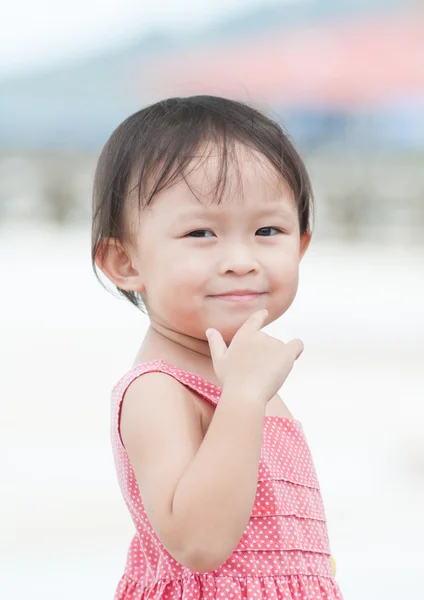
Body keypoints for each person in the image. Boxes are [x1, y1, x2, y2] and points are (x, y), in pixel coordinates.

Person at [91, 95, 343, 600]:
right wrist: (243, 398)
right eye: (201, 232)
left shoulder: (246, 373)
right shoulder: (160, 389)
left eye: (267, 230)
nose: (240, 260)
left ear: (301, 245)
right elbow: (199, 544)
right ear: (125, 262)